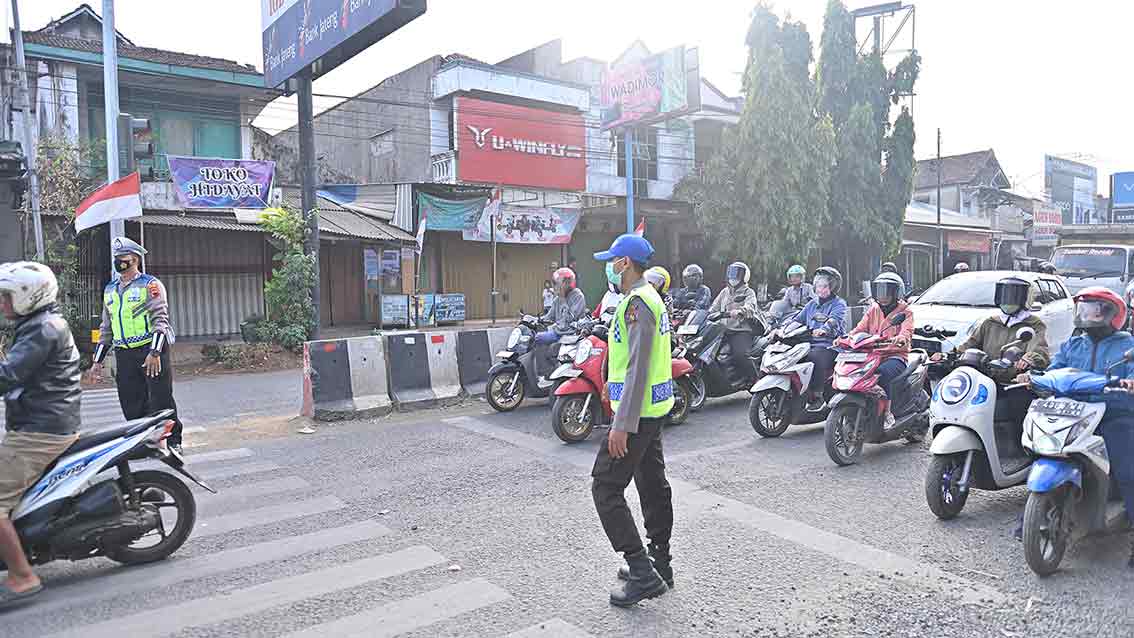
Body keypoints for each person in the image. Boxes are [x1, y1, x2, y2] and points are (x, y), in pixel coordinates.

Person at [591, 233, 675, 607]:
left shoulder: (637, 303)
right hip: (652, 410)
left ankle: (642, 572)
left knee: (605, 487)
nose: (610, 266)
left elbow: (639, 367)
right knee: (652, 484)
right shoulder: (648, 298)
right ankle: (660, 562)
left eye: (613, 260)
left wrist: (621, 424)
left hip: (637, 414)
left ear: (625, 263)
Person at [1028, 287, 1134, 566]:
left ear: (1113, 314)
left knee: (1127, 471)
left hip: (1114, 414)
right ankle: (1030, 518)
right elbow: (1055, 369)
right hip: (1075, 413)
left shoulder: (1127, 346)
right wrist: (1036, 377)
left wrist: (1129, 383)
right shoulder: (1074, 344)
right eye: (1083, 310)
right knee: (1045, 449)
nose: (1088, 316)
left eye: (1095, 310)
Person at [0, 262, 81, 607]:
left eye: (7, 297)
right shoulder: (36, 324)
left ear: (28, 296)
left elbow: (8, 375)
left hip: (40, 431)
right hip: (41, 422)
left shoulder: (42, 329)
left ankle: (23, 576)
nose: (2, 303)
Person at [90, 237, 183, 451]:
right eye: (117, 258)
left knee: (161, 398)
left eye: (123, 257)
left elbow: (161, 320)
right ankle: (145, 440)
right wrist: (97, 362)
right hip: (124, 353)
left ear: (135, 260)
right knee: (131, 400)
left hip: (150, 350)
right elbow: (106, 328)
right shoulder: (110, 289)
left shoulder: (150, 285)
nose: (119, 262)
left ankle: (173, 441)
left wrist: (155, 352)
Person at [933, 276, 1051, 423]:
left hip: (1013, 381)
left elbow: (1039, 347)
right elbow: (971, 344)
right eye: (1004, 296)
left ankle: (1018, 436)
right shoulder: (990, 322)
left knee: (1019, 409)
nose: (1007, 302)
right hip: (985, 377)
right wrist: (948, 355)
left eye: (1013, 297)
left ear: (1024, 299)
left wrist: (1028, 359)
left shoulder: (1033, 324)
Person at [848, 272, 913, 427]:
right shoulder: (873, 309)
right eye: (880, 290)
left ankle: (887, 413)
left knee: (881, 374)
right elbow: (859, 329)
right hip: (872, 354)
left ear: (896, 293)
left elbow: (907, 331)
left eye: (887, 291)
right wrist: (847, 337)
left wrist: (901, 338)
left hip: (895, 356)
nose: (882, 295)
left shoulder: (905, 311)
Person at [793, 267, 848, 406]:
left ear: (832, 287)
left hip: (830, 345)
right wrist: (781, 329)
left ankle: (818, 395)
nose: (820, 289)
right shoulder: (812, 304)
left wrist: (824, 329)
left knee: (815, 357)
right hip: (810, 343)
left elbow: (834, 320)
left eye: (824, 286)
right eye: (818, 286)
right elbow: (797, 320)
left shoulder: (839, 304)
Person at [708, 262, 760, 378]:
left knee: (740, 355)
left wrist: (740, 311)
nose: (733, 277)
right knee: (708, 351)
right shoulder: (724, 292)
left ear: (744, 276)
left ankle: (755, 379)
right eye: (731, 273)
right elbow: (714, 307)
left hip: (740, 330)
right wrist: (707, 313)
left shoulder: (748, 292)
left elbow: (750, 306)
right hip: (722, 330)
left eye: (737, 274)